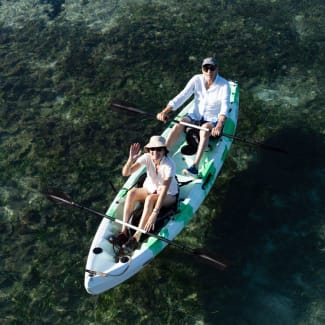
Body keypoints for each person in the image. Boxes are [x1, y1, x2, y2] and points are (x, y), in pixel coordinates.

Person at [157, 57, 231, 175]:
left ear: (217, 69)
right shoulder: (196, 79)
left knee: (205, 129)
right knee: (180, 122)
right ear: (202, 69)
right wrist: (165, 111)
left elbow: (225, 106)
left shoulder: (224, 85)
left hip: (212, 120)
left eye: (212, 68)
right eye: (206, 68)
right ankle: (163, 154)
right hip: (194, 116)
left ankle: (195, 166)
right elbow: (182, 96)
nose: (209, 72)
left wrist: (219, 125)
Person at [109, 135, 178, 254]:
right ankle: (124, 231)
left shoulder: (169, 165)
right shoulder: (146, 157)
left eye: (159, 149)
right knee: (132, 193)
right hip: (150, 188)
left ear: (164, 150)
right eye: (153, 149)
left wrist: (154, 214)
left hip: (168, 195)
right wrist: (131, 159)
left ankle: (137, 236)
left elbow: (164, 192)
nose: (155, 152)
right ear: (149, 150)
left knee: (151, 199)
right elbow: (126, 173)